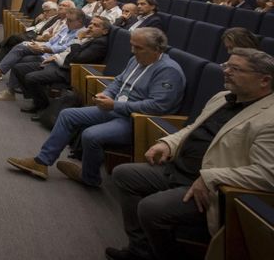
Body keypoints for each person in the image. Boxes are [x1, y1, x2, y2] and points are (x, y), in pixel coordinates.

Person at [106, 49, 274, 260]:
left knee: (150, 209)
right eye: (226, 66)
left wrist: (211, 177)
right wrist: (168, 143)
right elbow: (193, 128)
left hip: (211, 188)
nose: (226, 72)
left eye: (236, 69)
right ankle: (140, 251)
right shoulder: (222, 98)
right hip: (180, 168)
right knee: (124, 174)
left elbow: (267, 174)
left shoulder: (270, 119)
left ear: (264, 80)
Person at [6, 28, 185, 188]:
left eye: (138, 48)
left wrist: (115, 104)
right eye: (132, 46)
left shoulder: (169, 71)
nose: (133, 51)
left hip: (136, 120)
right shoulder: (136, 60)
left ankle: (89, 177)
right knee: (68, 115)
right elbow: (118, 81)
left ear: (157, 50)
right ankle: (41, 162)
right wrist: (107, 94)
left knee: (91, 135)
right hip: (116, 108)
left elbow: (158, 106)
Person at [0, 9, 84, 101]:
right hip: (45, 52)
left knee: (21, 54)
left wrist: (44, 48)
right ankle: (4, 83)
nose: (67, 23)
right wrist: (39, 45)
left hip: (53, 59)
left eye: (70, 21)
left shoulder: (79, 34)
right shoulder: (66, 28)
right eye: (67, 20)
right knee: (22, 46)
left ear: (79, 22)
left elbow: (66, 49)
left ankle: (2, 78)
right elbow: (52, 41)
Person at [15, 16, 112, 113]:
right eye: (91, 23)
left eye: (96, 25)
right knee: (19, 68)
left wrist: (78, 38)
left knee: (30, 77)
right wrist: (55, 57)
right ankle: (38, 99)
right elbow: (68, 51)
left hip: (67, 71)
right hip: (57, 63)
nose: (90, 27)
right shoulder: (89, 37)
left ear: (105, 31)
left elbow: (76, 59)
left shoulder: (100, 43)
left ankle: (42, 106)